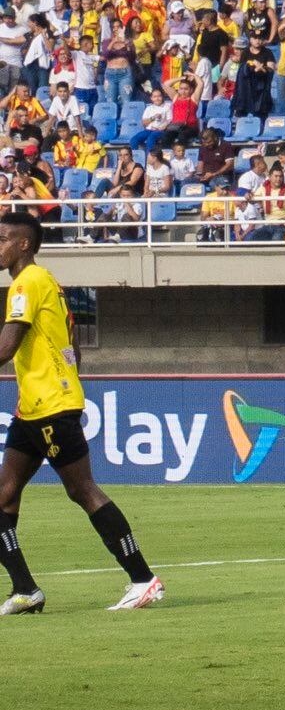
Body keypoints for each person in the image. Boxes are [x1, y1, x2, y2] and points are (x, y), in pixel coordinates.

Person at [0, 210, 162, 614]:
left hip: (50, 408)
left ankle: (144, 579)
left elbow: (5, 348)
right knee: (2, 499)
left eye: (3, 238)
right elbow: (73, 344)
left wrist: (59, 387)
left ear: (24, 244)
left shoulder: (27, 283)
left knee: (83, 490)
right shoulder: (48, 282)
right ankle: (25, 590)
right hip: (35, 408)